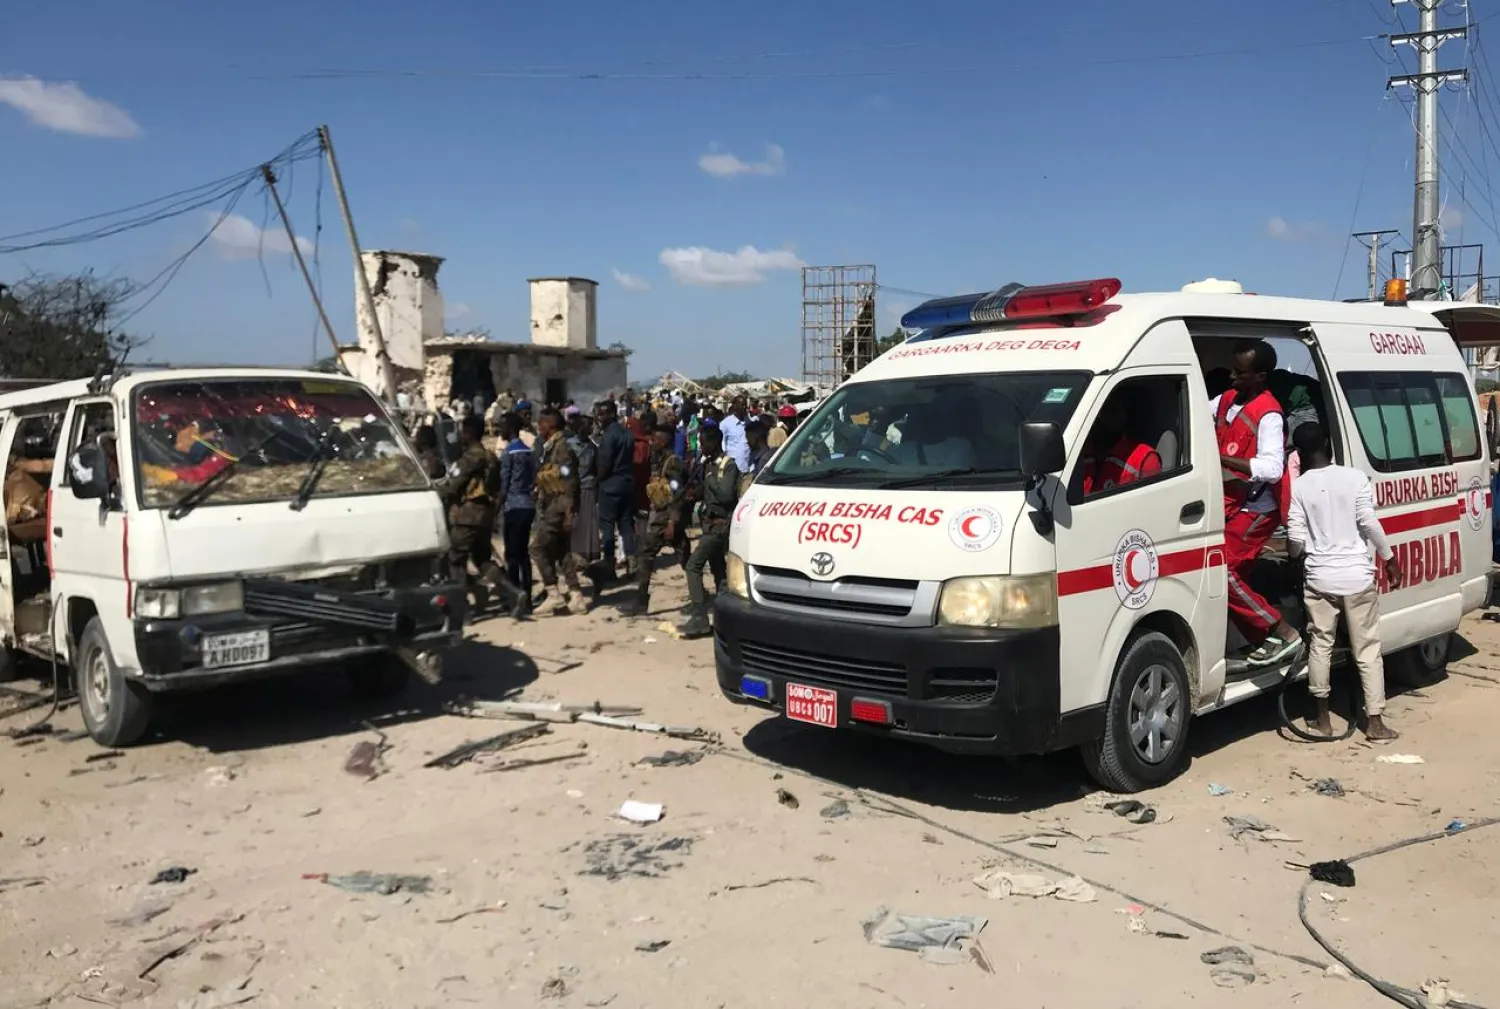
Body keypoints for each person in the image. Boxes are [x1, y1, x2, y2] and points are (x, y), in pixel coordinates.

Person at [1286, 421, 1402, 741]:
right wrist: (1389, 559)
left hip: (1320, 579)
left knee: (1320, 644)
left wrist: (1295, 558)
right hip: (1356, 577)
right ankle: (1375, 723)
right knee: (1367, 649)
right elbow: (1368, 523)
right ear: (1327, 443)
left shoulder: (1299, 487)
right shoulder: (1354, 478)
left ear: (1299, 453)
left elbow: (1295, 539)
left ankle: (1322, 721)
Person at [1214, 340, 1302, 667]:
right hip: (1233, 501)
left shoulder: (1269, 414)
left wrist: (1220, 459)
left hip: (1258, 506)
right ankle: (1259, 641)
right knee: (1238, 577)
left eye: (1240, 373)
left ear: (1261, 376)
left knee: (1221, 570)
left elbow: (1271, 468)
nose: (1232, 378)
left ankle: (1282, 631)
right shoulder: (1226, 401)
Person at [434, 414, 520, 615]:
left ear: (469, 434)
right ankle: (512, 592)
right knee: (482, 559)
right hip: (485, 515)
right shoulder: (490, 457)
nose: (460, 435)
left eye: (463, 431)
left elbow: (452, 486)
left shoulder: (470, 458)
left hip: (466, 516)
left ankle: (461, 608)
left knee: (456, 559)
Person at [680, 425, 739, 638]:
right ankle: (727, 617)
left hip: (720, 527)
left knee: (693, 566)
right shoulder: (708, 465)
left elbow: (725, 496)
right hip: (709, 524)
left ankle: (700, 617)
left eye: (704, 442)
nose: (702, 447)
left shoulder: (727, 466)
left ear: (715, 442)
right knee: (719, 572)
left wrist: (709, 480)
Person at [529, 407, 588, 616]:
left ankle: (553, 593)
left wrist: (569, 514)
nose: (538, 426)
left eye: (541, 423)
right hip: (553, 504)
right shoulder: (551, 447)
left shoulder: (561, 448)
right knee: (562, 552)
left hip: (559, 508)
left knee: (536, 548)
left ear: (551, 425)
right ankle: (576, 596)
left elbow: (570, 482)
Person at [629, 423, 687, 614]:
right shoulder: (659, 460)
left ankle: (640, 601)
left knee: (646, 554)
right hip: (661, 515)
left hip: (665, 518)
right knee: (686, 558)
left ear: (662, 441)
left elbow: (677, 494)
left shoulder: (672, 463)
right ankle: (701, 595)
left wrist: (672, 522)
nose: (652, 443)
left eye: (654, 440)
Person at [1080, 391, 1162, 495]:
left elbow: (1152, 503)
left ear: (1127, 414)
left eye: (1115, 410)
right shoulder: (1078, 450)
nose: (1108, 417)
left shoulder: (1144, 458)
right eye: (1104, 410)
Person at [497, 412, 538, 608]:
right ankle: (528, 595)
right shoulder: (528, 451)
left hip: (513, 506)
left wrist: (496, 509)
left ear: (511, 428)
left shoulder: (508, 453)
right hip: (528, 506)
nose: (499, 430)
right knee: (523, 554)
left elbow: (504, 485)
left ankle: (515, 596)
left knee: (512, 555)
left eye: (502, 426)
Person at [594, 399, 636, 582]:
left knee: (608, 527)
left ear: (611, 414)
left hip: (610, 486)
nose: (599, 417)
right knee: (626, 526)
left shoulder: (609, 435)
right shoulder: (627, 433)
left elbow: (604, 465)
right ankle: (632, 565)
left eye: (602, 413)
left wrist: (597, 481)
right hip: (626, 484)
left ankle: (609, 567)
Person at [566, 408, 603, 579]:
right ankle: (574, 556)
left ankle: (586, 555)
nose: (589, 430)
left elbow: (595, 469)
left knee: (587, 523)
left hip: (587, 488)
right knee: (574, 522)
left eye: (591, 427)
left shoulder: (592, 447)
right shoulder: (569, 445)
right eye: (586, 426)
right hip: (574, 488)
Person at [741, 420, 773, 494]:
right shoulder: (755, 456)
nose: (747, 441)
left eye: (748, 437)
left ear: (756, 436)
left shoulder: (765, 459)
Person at [720, 396, 751, 472]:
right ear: (735, 406)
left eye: (745, 405)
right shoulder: (725, 423)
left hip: (749, 467)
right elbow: (722, 442)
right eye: (742, 405)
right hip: (734, 469)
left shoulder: (749, 422)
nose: (745, 407)